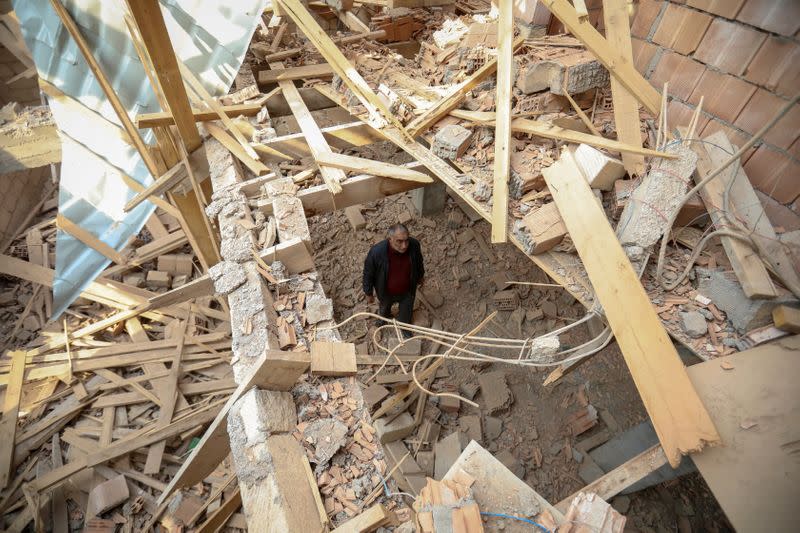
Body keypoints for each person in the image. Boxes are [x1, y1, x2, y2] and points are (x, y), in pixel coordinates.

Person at [363, 223, 425, 333]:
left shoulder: (414, 245)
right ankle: (383, 318)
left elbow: (419, 262)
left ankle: (404, 328)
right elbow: (368, 273)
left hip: (407, 290)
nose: (404, 245)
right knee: (384, 307)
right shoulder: (377, 252)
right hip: (386, 291)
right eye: (399, 241)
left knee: (406, 312)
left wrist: (420, 276)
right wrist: (368, 292)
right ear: (390, 239)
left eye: (406, 240)